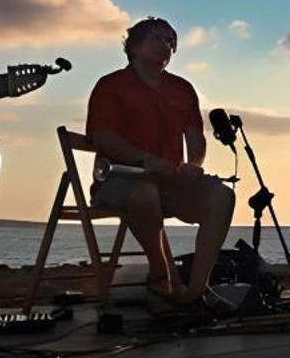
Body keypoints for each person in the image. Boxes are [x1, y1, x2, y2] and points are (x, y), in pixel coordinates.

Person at [84, 18, 236, 309]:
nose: (166, 45)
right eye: (157, 38)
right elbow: (102, 136)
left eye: (170, 41)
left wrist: (194, 163)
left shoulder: (182, 89)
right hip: (119, 179)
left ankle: (195, 290)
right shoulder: (110, 86)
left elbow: (195, 136)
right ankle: (161, 275)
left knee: (221, 195)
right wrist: (146, 160)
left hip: (171, 182)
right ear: (135, 46)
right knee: (145, 193)